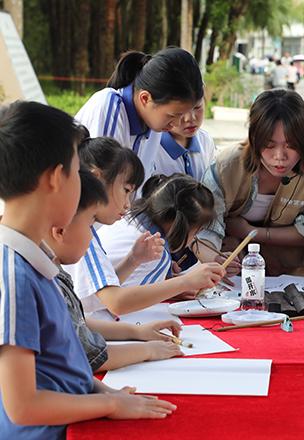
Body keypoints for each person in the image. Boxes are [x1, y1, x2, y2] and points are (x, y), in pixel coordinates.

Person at [0, 101, 175, 438]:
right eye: (76, 171)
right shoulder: (12, 275)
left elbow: (62, 362)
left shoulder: (38, 260)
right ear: (56, 178)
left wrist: (106, 394)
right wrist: (109, 405)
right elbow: (22, 405)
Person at [64, 137, 225, 318]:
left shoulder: (90, 229)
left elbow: (92, 299)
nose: (127, 204)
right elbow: (116, 303)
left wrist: (133, 260)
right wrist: (186, 282)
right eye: (126, 190)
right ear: (96, 178)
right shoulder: (80, 232)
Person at [48, 168, 182, 372]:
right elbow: (89, 355)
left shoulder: (52, 270)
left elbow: (77, 323)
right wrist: (148, 350)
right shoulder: (33, 276)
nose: (92, 235)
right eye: (91, 222)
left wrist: (137, 332)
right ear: (60, 231)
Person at [198, 89, 304, 277]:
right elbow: (205, 229)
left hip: (295, 275)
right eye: (269, 145)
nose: (280, 156)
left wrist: (249, 231)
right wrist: (215, 259)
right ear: (253, 138)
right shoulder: (226, 167)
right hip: (235, 276)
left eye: (291, 145)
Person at [75, 47, 204, 183]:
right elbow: (103, 187)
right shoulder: (111, 106)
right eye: (172, 115)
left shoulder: (153, 126)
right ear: (145, 98)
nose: (177, 123)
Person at [153, 96, 215, 181]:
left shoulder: (205, 141)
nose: (190, 118)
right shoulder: (151, 147)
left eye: (197, 107)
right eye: (180, 111)